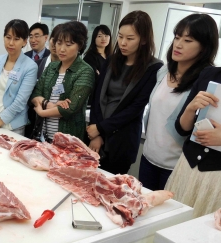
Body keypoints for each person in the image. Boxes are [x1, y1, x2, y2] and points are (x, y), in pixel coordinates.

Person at [140, 14, 218, 191]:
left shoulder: (207, 81)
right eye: (177, 37)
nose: (179, 44)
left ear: (204, 46)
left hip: (176, 165)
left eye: (188, 40)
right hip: (149, 157)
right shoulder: (163, 71)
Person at [87, 11, 163, 175]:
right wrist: (96, 133)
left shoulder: (153, 67)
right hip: (96, 135)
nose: (122, 43)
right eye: (120, 36)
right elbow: (97, 97)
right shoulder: (111, 60)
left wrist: (101, 128)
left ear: (143, 39)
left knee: (111, 190)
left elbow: (135, 108)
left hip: (122, 140)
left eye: (130, 39)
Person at [164, 66, 221, 217]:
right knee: (169, 224)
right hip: (187, 167)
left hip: (217, 178)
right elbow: (182, 128)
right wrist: (190, 108)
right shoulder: (210, 73)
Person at [31, 21, 95, 142]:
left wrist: (41, 111)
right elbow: (35, 95)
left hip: (67, 140)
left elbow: (70, 108)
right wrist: (49, 104)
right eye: (59, 43)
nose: (62, 49)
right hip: (42, 136)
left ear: (80, 45)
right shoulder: (52, 67)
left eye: (69, 44)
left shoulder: (85, 71)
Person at [0, 19, 37, 136]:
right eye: (8, 37)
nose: (11, 43)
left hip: (12, 125)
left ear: (25, 41)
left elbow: (20, 102)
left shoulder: (30, 66)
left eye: (16, 39)